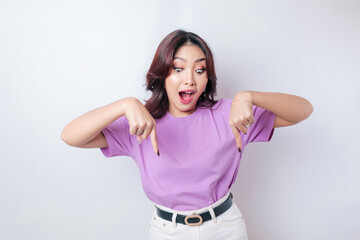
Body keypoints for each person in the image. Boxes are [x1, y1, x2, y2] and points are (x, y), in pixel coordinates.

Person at [61, 29, 313, 240]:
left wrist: (248, 96)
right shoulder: (140, 123)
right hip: (167, 232)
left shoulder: (230, 114)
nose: (190, 80)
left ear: (207, 78)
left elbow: (303, 110)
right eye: (178, 69)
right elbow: (70, 136)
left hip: (225, 229)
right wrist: (124, 104)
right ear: (162, 74)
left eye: (199, 70)